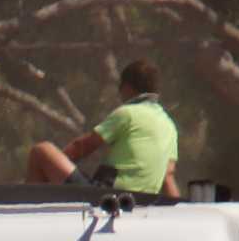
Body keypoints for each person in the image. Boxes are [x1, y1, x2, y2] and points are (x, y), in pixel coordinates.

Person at [25, 59, 179, 196]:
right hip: (140, 206)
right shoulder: (169, 126)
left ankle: (29, 216)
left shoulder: (127, 114)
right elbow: (168, 177)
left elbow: (82, 147)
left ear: (127, 87)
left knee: (42, 151)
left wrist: (52, 171)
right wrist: (180, 214)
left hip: (105, 198)